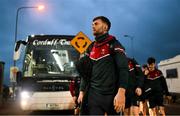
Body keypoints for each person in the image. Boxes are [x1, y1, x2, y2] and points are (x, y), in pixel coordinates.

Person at [77, 16, 129, 115]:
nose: (93, 26)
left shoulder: (114, 44)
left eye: (96, 24)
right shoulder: (91, 47)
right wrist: (82, 91)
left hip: (112, 95)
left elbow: (123, 69)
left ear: (105, 27)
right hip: (93, 95)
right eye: (92, 24)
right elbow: (86, 73)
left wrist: (121, 93)